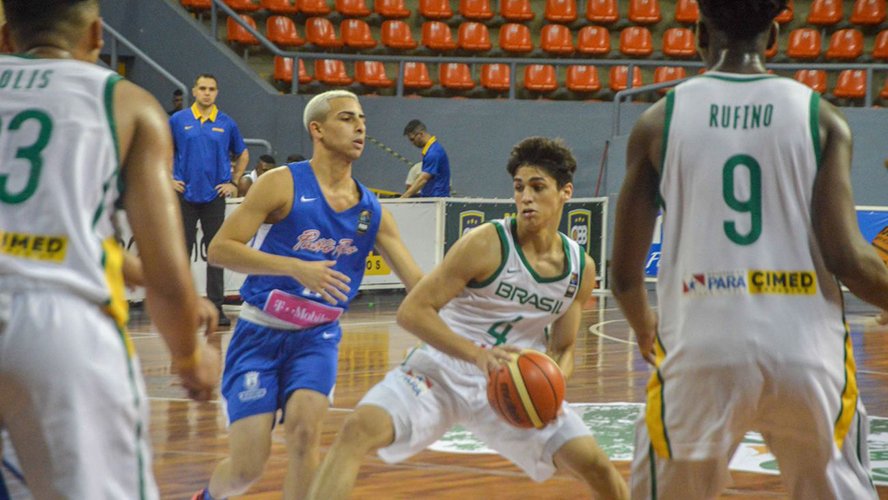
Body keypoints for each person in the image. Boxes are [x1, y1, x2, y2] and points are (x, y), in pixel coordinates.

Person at [610, 1, 888, 498]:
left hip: (699, 347)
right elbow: (849, 260)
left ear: (698, 32)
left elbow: (626, 276)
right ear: (775, 37)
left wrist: (644, 326)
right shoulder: (821, 118)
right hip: (807, 352)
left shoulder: (657, 122)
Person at [307, 137, 629, 500]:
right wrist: (478, 356)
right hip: (441, 371)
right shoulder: (485, 243)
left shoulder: (579, 270)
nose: (526, 197)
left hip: (513, 385)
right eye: (519, 187)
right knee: (357, 431)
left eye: (538, 188)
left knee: (599, 468)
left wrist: (552, 379)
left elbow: (565, 348)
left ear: (565, 192)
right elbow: (412, 311)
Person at [0, 1, 221, 498]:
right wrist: (189, 357)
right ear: (97, 35)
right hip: (59, 332)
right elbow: (169, 270)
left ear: (4, 38)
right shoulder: (127, 103)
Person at [192, 90, 423, 500]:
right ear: (317, 129)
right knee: (247, 468)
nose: (360, 127)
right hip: (259, 334)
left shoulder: (371, 209)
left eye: (362, 119)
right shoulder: (281, 183)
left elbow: (419, 285)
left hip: (317, 338)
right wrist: (294, 266)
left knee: (304, 435)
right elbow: (220, 249)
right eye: (347, 118)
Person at [170, 73, 250, 326]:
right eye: (202, 88)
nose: (207, 93)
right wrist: (166, 177)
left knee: (215, 252)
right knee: (182, 252)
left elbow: (243, 154)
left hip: (214, 196)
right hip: (184, 194)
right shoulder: (178, 120)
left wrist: (233, 182)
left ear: (217, 92)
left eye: (212, 89)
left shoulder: (226, 123)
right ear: (194, 91)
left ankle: (216, 306)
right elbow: (159, 148)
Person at [401, 119, 451, 198]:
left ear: (420, 134)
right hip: (431, 198)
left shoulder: (433, 153)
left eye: (412, 139)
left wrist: (404, 197)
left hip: (436, 199)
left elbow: (423, 179)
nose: (412, 143)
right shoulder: (431, 150)